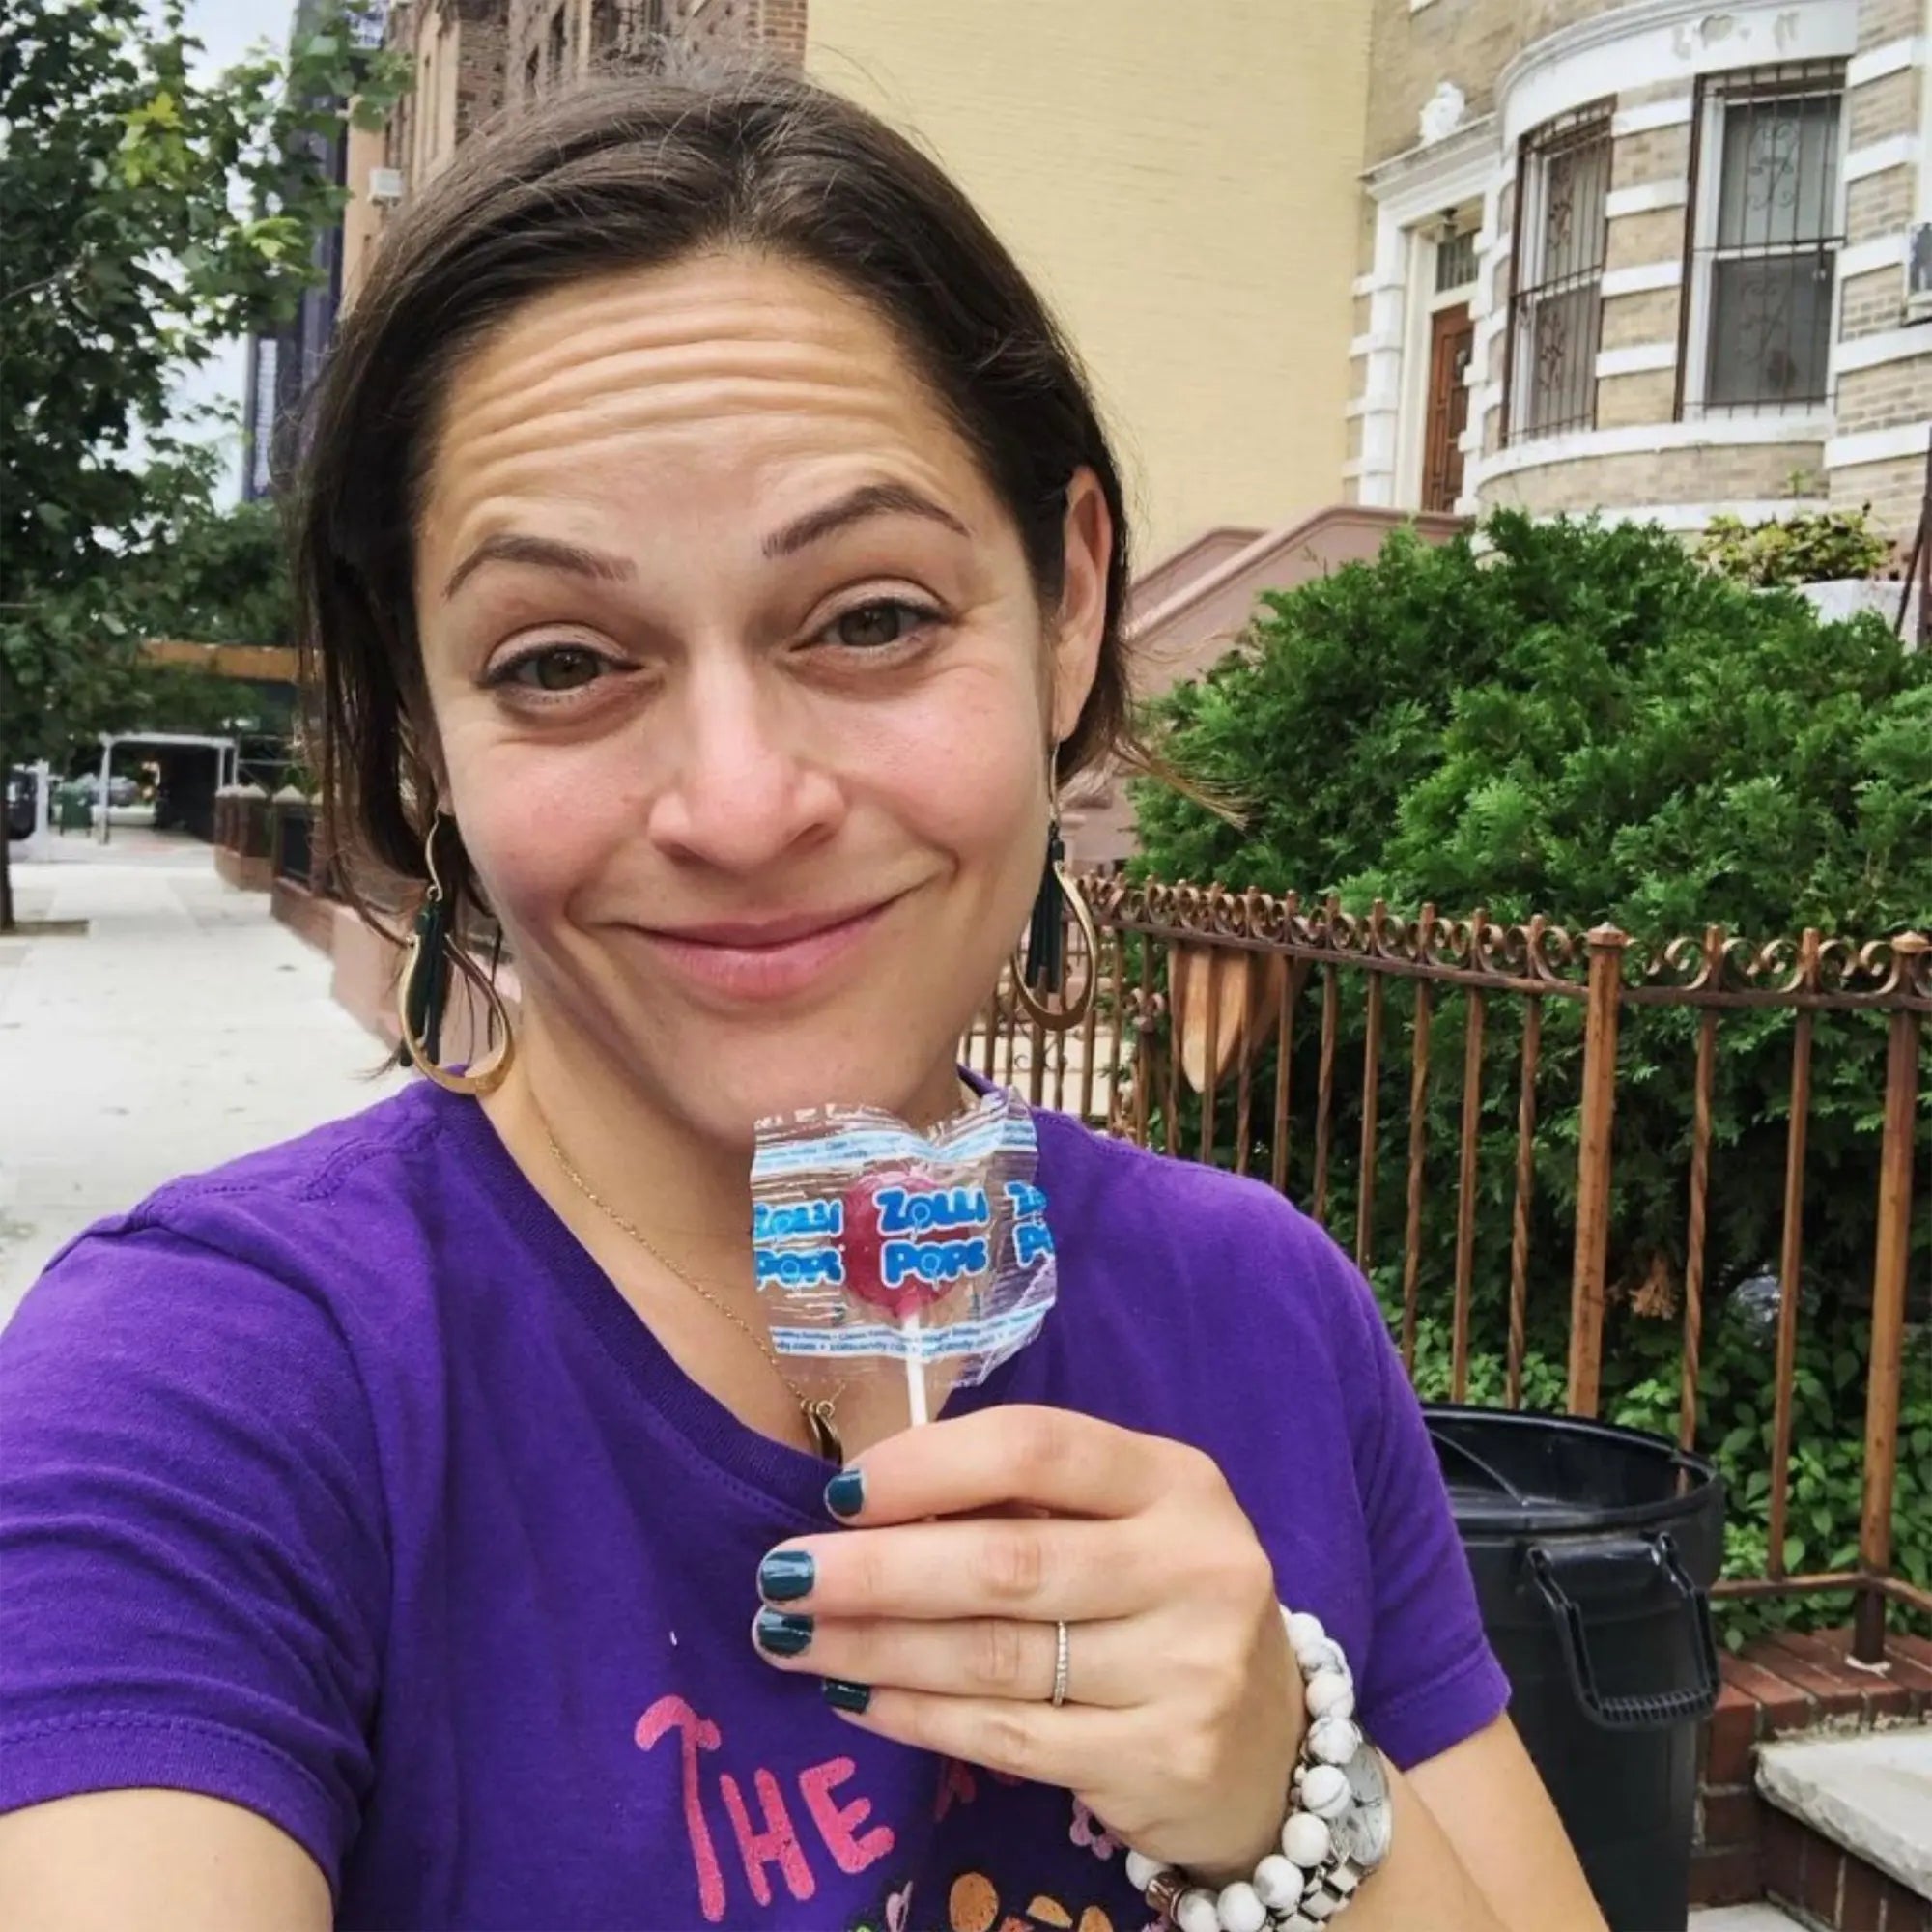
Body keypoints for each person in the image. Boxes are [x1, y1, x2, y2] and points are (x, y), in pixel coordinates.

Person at [0, 65, 1607, 1932]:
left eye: (870, 619)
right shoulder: (210, 1395)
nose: (746, 805)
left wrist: (1289, 1797)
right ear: (423, 730)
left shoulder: (1257, 1313)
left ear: (1069, 602)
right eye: (564, 659)